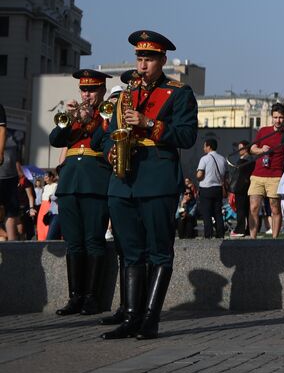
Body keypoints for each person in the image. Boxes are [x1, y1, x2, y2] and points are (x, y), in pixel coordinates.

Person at [92, 30, 199, 340]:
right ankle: (130, 316)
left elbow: (187, 136)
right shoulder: (125, 94)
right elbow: (106, 136)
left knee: (159, 252)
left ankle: (150, 320)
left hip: (157, 179)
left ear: (162, 61)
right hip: (123, 182)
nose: (142, 64)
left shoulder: (179, 93)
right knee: (130, 251)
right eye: (139, 58)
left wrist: (150, 124)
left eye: (149, 59)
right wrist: (110, 150)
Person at [49, 69, 114, 315]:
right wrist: (70, 116)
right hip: (69, 184)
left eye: (92, 89)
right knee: (73, 243)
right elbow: (55, 139)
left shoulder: (107, 114)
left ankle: (92, 297)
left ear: (102, 91)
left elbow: (101, 140)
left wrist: (93, 119)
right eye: (84, 90)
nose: (87, 94)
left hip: (94, 183)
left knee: (93, 241)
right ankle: (75, 296)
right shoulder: (73, 116)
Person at [248, 104, 284, 238]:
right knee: (253, 207)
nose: (278, 120)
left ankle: (275, 239)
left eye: (281, 117)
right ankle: (252, 239)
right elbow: (252, 148)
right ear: (272, 117)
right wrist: (261, 150)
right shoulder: (264, 131)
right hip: (258, 174)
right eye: (275, 117)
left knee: (275, 207)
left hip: (275, 175)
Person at [195, 138, 228, 238]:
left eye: (204, 146)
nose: (203, 148)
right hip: (218, 188)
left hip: (206, 189)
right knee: (218, 212)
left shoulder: (204, 159)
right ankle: (220, 234)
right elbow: (226, 175)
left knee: (206, 213)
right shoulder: (222, 159)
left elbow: (199, 175)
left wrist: (197, 176)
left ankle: (208, 235)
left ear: (209, 147)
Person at [0, 103, 23, 242]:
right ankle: (10, 241)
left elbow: (2, 128)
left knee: (10, 208)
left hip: (6, 173)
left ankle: (11, 244)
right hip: (8, 173)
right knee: (10, 209)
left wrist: (0, 152)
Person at [228, 140, 253, 236]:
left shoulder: (243, 161)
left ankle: (240, 229)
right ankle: (246, 229)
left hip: (240, 188)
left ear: (246, 149)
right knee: (246, 209)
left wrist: (232, 189)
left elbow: (237, 176)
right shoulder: (250, 159)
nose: (239, 150)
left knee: (241, 209)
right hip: (246, 187)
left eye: (241, 148)